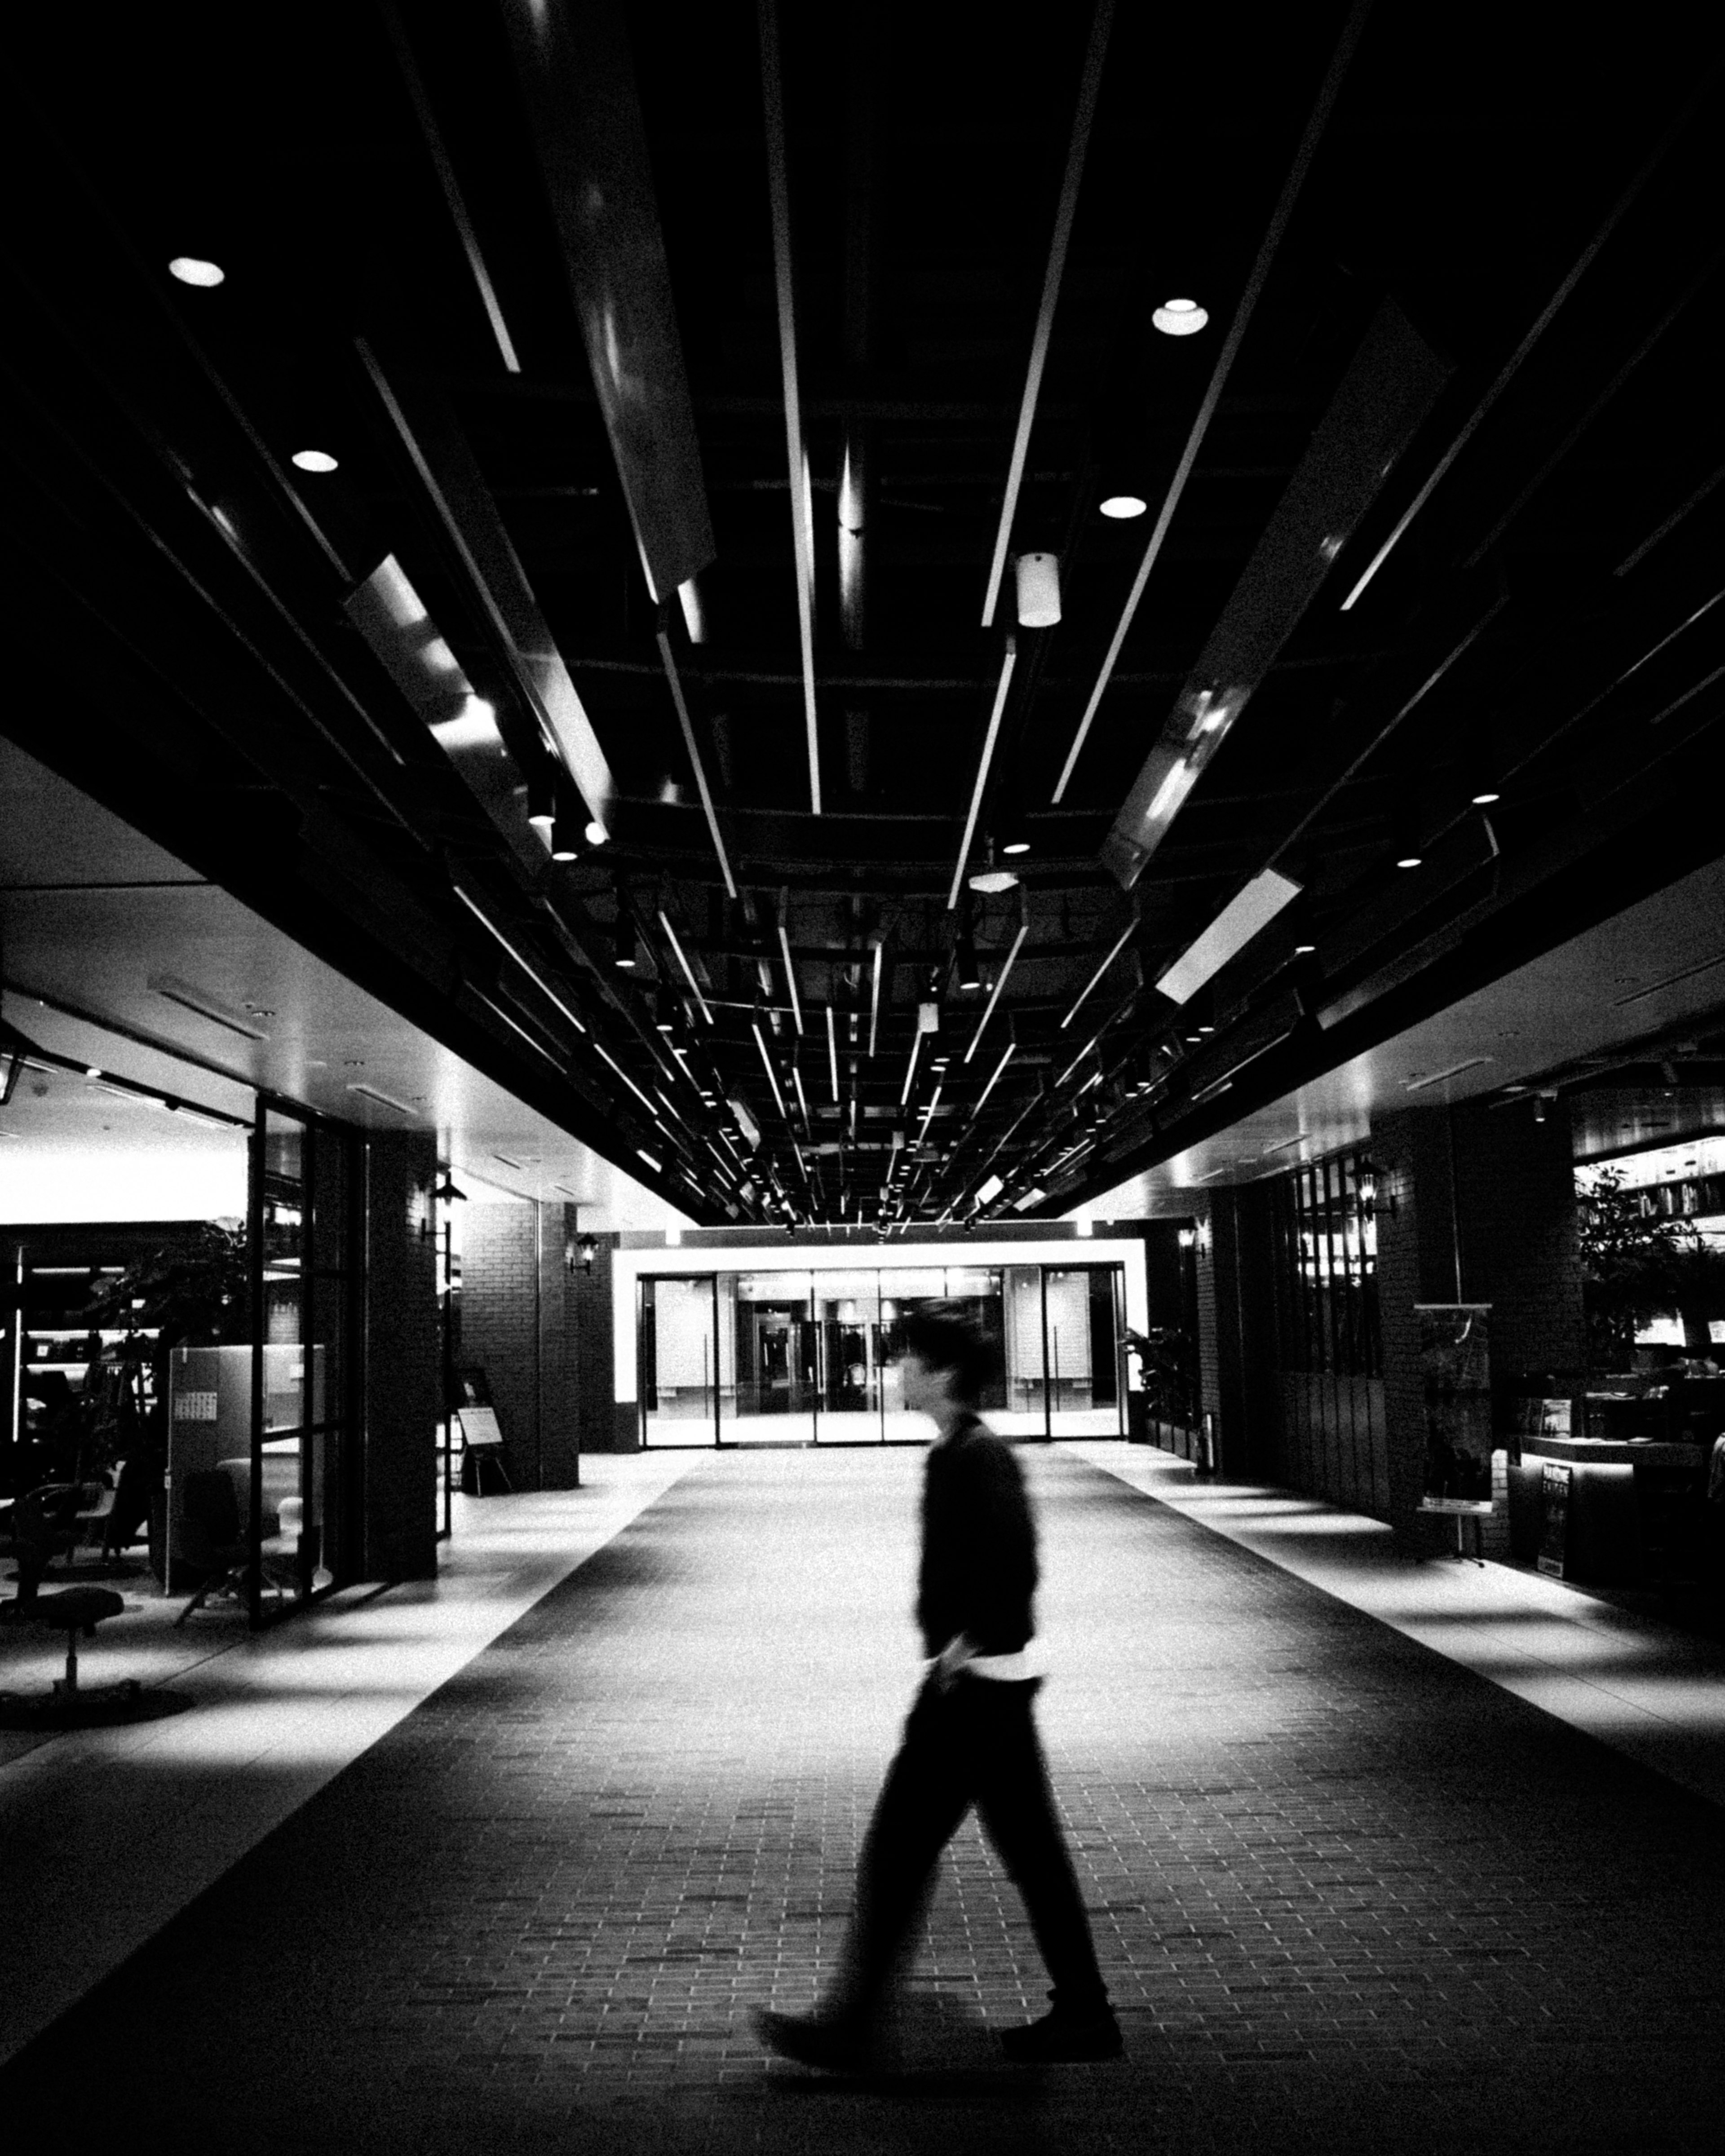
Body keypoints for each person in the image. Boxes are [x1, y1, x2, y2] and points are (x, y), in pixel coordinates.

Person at [754, 1304, 1122, 2071]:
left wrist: (962, 1647)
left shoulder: (976, 1458)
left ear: (944, 1374)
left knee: (898, 1851)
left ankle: (852, 2026)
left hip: (971, 1695)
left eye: (909, 1359)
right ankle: (1084, 2013)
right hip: (989, 1690)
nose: (897, 1372)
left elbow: (1015, 1566)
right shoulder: (959, 1451)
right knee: (1030, 1854)